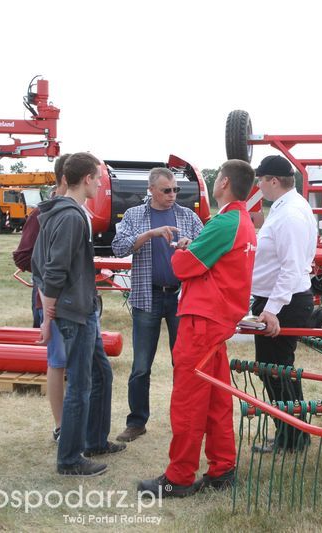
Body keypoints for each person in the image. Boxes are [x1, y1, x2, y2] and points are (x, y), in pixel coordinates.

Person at [139, 159, 256, 497]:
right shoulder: (243, 221)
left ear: (224, 184)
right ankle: (222, 468)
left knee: (189, 400)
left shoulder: (224, 222)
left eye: (217, 177)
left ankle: (178, 477)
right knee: (217, 399)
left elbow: (183, 266)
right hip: (218, 321)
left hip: (201, 321)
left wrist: (183, 253)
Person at [33, 152, 125, 477]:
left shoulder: (62, 212)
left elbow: (39, 264)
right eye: (98, 179)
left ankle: (95, 440)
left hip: (82, 308)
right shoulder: (71, 217)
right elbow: (52, 268)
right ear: (86, 179)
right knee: (80, 387)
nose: (100, 184)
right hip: (76, 313)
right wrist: (47, 317)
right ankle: (70, 459)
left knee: (102, 374)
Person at [111, 168, 203, 443]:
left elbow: (209, 246)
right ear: (151, 190)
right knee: (141, 365)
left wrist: (193, 243)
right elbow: (118, 248)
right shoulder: (134, 216)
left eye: (176, 190)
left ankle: (184, 420)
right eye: (166, 190)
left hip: (181, 297)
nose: (172, 195)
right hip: (146, 297)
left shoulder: (188, 216)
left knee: (183, 363)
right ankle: (137, 422)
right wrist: (150, 234)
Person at [249, 155, 317, 453]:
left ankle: (291, 437)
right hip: (281, 300)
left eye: (260, 180)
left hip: (284, 303)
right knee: (276, 371)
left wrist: (272, 308)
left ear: (272, 181)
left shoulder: (289, 214)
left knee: (276, 371)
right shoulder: (287, 207)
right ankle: (291, 433)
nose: (258, 186)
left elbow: (291, 266)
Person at [12, 154, 69, 442]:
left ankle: (73, 423)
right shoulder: (41, 214)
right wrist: (50, 276)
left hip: (77, 303)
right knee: (58, 361)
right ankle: (60, 426)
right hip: (52, 302)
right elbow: (22, 256)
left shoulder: (77, 212)